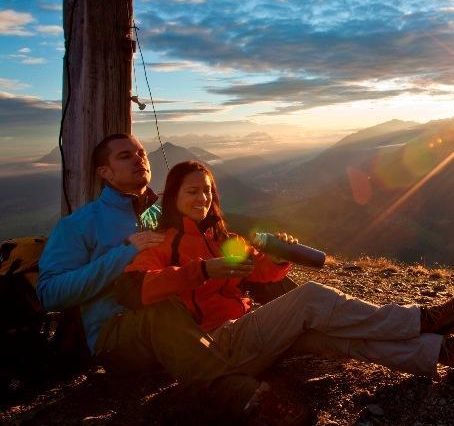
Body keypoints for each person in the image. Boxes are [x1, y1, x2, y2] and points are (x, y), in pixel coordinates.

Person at [115, 160, 454, 420]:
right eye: (192, 192)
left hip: (252, 339)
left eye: (208, 191)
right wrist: (201, 270)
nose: (202, 199)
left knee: (341, 336)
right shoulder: (163, 244)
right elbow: (135, 290)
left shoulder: (224, 238)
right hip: (214, 347)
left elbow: (261, 273)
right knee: (311, 297)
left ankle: (440, 352)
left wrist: (279, 257)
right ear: (173, 198)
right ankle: (420, 319)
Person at [36, 135, 285, 422]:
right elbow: (49, 292)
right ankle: (241, 396)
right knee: (160, 309)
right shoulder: (80, 224)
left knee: (254, 270)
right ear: (104, 172)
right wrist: (124, 253)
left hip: (186, 325)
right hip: (118, 335)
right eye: (124, 156)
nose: (138, 158)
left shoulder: (164, 212)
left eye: (141, 152)